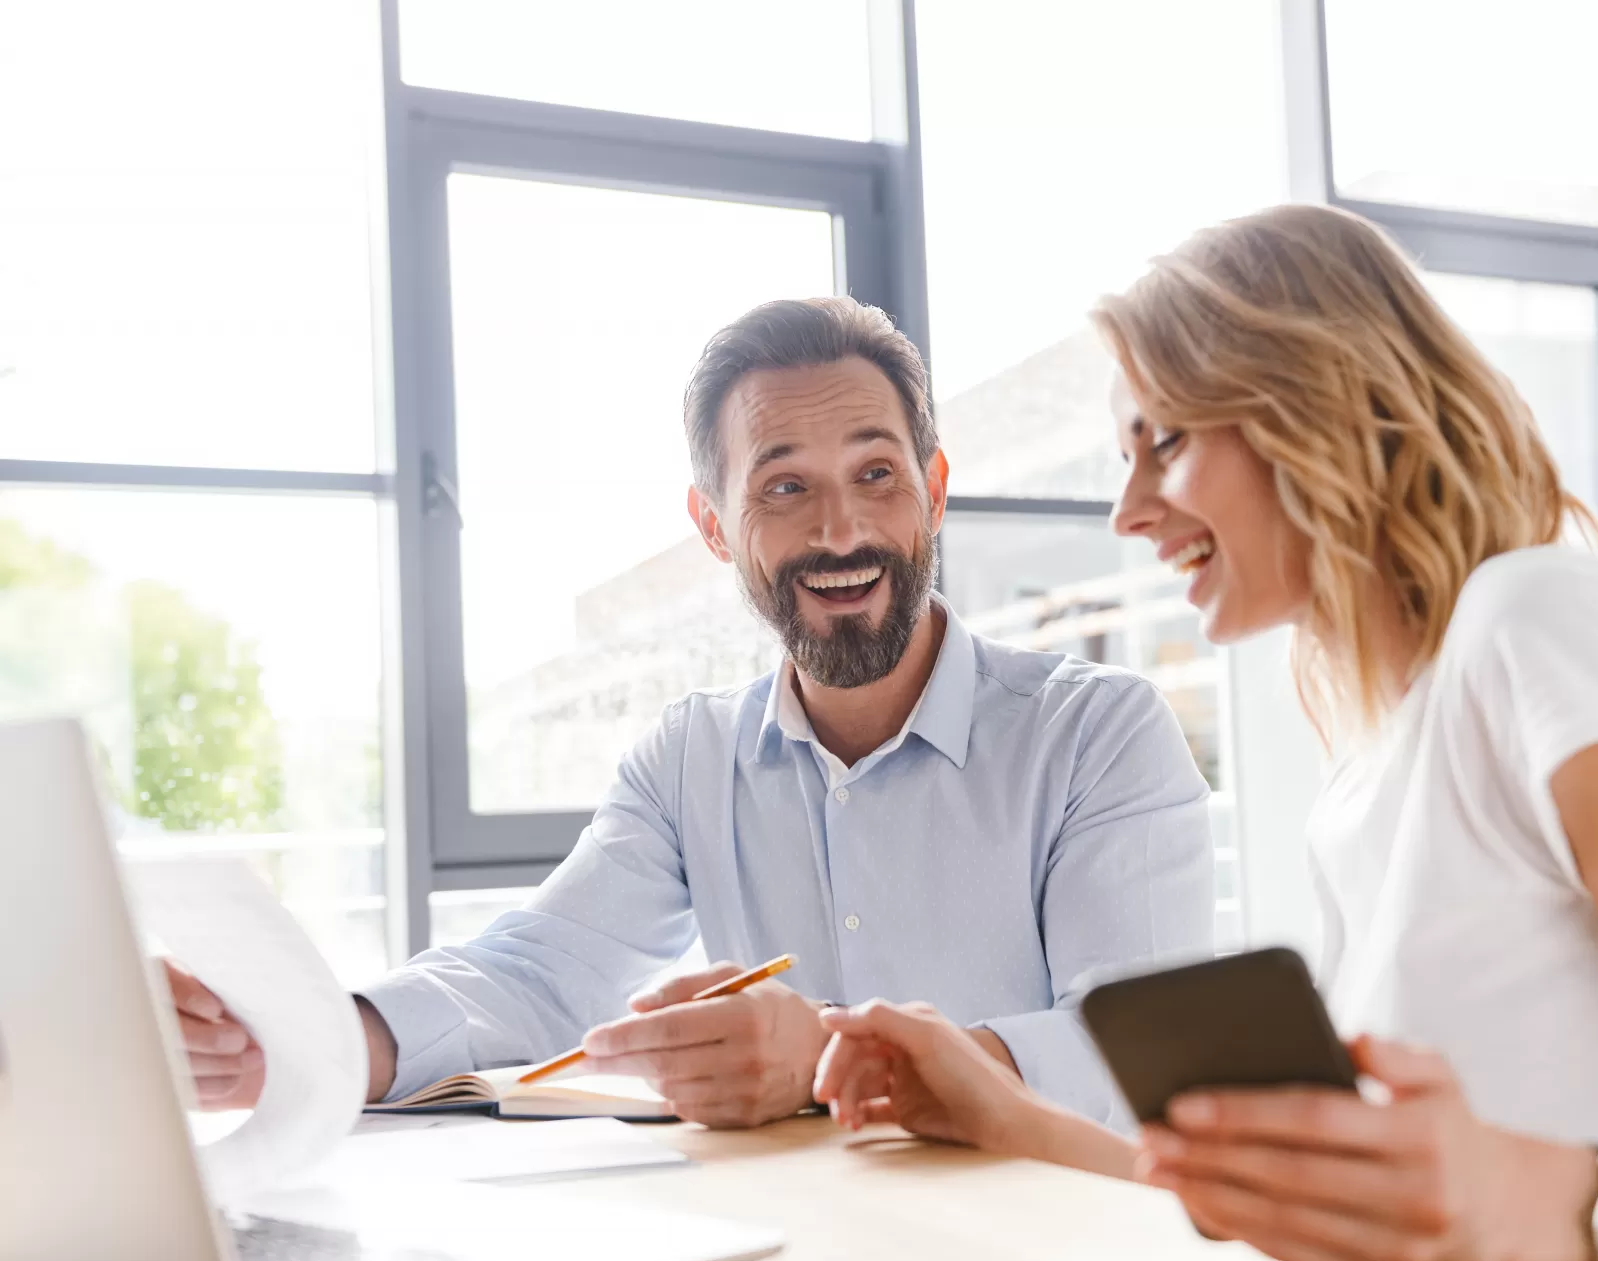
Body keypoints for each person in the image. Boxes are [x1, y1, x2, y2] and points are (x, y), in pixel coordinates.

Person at [810, 204, 1598, 1261]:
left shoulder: (1538, 628)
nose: (1126, 511)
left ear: (1312, 401)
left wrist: (1528, 1197)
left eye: (1161, 441)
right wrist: (1003, 1113)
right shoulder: (1371, 771)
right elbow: (1388, 1216)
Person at [168, 296, 1215, 1129]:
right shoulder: (689, 759)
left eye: (876, 473)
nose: (841, 528)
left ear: (933, 490)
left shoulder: (1096, 732)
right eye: (783, 488)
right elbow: (540, 970)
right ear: (713, 526)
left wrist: (833, 1058)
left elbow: (1136, 1046)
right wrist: (311, 1038)